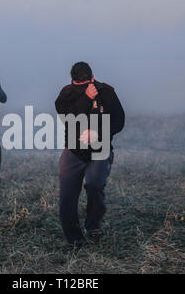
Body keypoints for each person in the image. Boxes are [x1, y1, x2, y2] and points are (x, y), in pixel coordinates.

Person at [55, 62, 125, 248]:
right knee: (67, 195)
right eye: (78, 86)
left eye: (85, 85)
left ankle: (93, 224)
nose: (81, 88)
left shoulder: (106, 92)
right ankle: (74, 238)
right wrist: (85, 98)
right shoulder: (67, 93)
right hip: (73, 150)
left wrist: (98, 134)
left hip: (99, 149)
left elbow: (119, 121)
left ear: (92, 79)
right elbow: (65, 115)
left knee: (94, 184)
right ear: (72, 81)